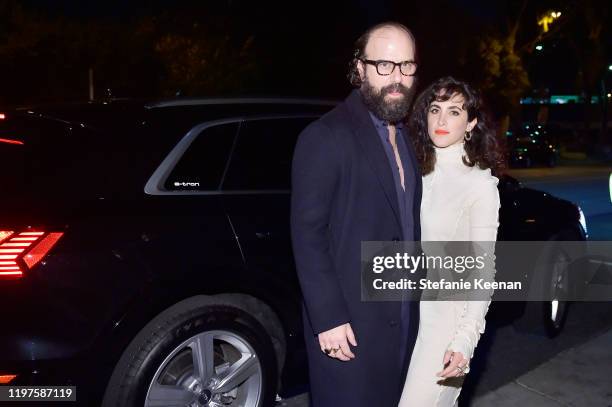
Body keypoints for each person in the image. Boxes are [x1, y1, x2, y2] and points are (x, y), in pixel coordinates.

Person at [291, 22, 421, 406]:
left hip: (401, 318)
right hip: (349, 325)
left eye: (406, 66)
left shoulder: (410, 136)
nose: (397, 78)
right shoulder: (326, 136)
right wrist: (328, 316)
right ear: (360, 69)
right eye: (384, 65)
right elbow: (307, 233)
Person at [399, 76, 504, 406]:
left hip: (446, 322)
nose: (442, 120)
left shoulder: (480, 185)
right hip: (404, 314)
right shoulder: (413, 170)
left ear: (471, 123)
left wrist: (465, 339)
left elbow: (483, 270)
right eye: (435, 109)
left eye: (455, 112)